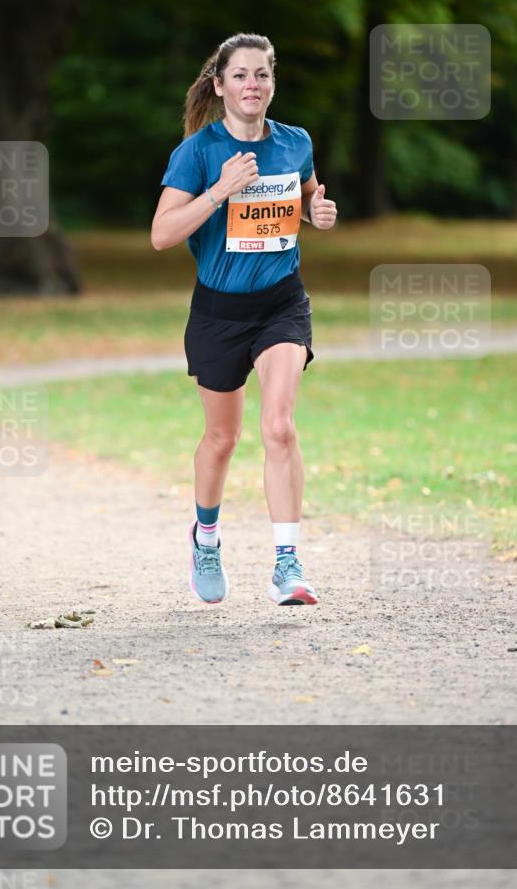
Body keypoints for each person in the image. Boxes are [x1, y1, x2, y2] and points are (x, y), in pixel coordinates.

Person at [151, 32, 337, 607]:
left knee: (279, 427)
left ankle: (288, 563)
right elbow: (161, 235)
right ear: (220, 85)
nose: (251, 85)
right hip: (218, 312)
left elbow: (305, 196)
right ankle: (206, 536)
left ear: (272, 83)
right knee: (222, 437)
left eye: (261, 75)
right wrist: (220, 191)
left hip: (282, 302)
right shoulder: (198, 153)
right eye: (240, 76)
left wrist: (317, 211)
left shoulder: (295, 142)